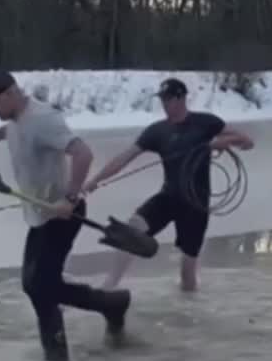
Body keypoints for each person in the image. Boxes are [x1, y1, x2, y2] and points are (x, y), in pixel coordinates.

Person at [0, 70, 131, 361]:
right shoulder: (14, 119)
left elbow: (83, 154)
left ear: (10, 93)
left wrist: (69, 198)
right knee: (34, 284)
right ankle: (111, 305)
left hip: (62, 215)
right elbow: (9, 132)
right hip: (40, 214)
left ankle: (57, 356)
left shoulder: (43, 119)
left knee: (41, 287)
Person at [84, 78, 255, 292]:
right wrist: (94, 181)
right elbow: (124, 157)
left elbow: (247, 142)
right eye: (162, 100)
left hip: (196, 205)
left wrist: (219, 143)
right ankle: (108, 287)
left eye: (168, 99)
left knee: (187, 276)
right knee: (133, 229)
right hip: (169, 197)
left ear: (181, 98)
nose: (164, 105)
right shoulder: (157, 131)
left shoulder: (206, 123)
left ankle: (190, 311)